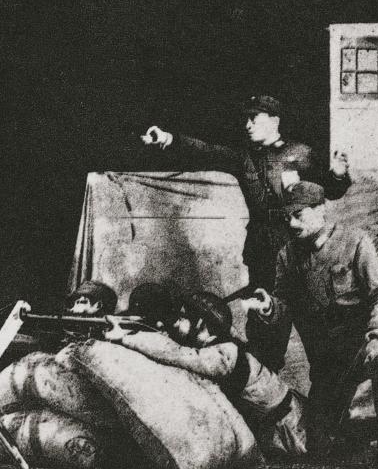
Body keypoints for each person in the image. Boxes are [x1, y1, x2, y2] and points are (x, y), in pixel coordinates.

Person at [141, 95, 351, 369]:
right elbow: (207, 151)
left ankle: (325, 387)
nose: (248, 124)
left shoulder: (302, 153)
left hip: (299, 252)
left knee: (315, 326)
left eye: (254, 118)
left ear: (274, 120)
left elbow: (331, 191)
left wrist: (337, 175)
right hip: (262, 253)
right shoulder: (244, 157)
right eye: (246, 119)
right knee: (264, 330)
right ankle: (263, 384)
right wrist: (168, 139)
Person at [244, 181, 378, 469]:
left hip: (361, 339)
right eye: (287, 217)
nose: (291, 223)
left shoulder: (354, 241)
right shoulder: (287, 255)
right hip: (328, 360)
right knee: (319, 443)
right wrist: (269, 306)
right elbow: (284, 305)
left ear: (321, 209)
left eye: (298, 214)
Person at [106, 290, 308, 459]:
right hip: (278, 424)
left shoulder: (224, 355)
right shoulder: (223, 344)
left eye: (183, 317)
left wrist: (125, 337)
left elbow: (178, 354)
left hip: (292, 427)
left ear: (201, 323)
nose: (176, 323)